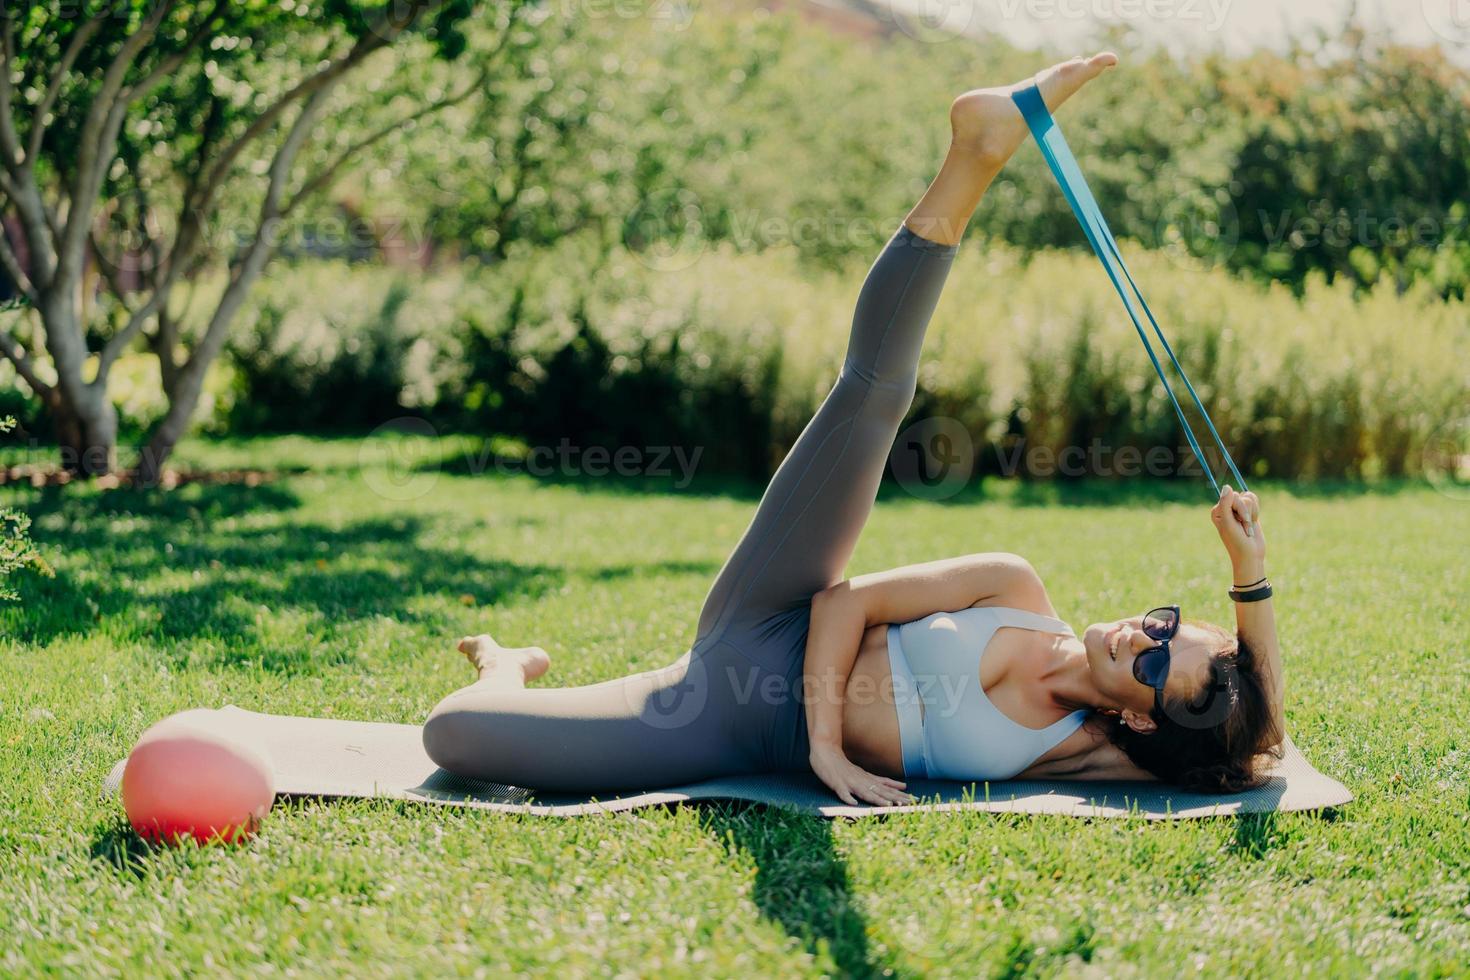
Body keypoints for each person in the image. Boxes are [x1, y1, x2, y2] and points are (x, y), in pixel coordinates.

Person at [422, 53, 1285, 806]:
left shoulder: (1088, 751)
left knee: (458, 738)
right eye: (1167, 625)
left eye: (1151, 665)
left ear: (1140, 714)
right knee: (874, 396)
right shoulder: (1011, 589)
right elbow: (843, 602)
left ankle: (508, 666)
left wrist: (800, 744)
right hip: (774, 621)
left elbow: (1260, 746)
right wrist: (1247, 573)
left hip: (726, 718)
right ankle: (977, 152)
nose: (1144, 636)